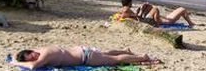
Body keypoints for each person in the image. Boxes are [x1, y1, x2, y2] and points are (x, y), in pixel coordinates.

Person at [10, 46, 157, 69]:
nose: (34, 58)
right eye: (32, 57)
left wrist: (15, 62)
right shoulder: (40, 49)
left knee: (116, 60)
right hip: (84, 50)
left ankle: (142, 57)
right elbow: (21, 53)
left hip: (86, 57)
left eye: (32, 56)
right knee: (106, 53)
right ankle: (126, 50)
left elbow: (33, 67)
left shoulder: (45, 55)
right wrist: (17, 56)